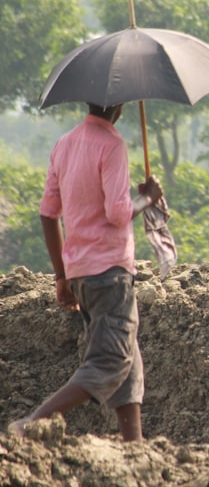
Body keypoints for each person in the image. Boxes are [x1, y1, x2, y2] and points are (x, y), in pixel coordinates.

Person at [7, 103, 162, 442]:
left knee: (127, 360)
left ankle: (134, 447)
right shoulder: (111, 144)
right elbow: (119, 212)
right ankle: (30, 423)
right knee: (110, 361)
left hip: (81, 276)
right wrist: (148, 199)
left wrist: (61, 278)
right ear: (119, 105)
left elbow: (48, 214)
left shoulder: (65, 144)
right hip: (110, 273)